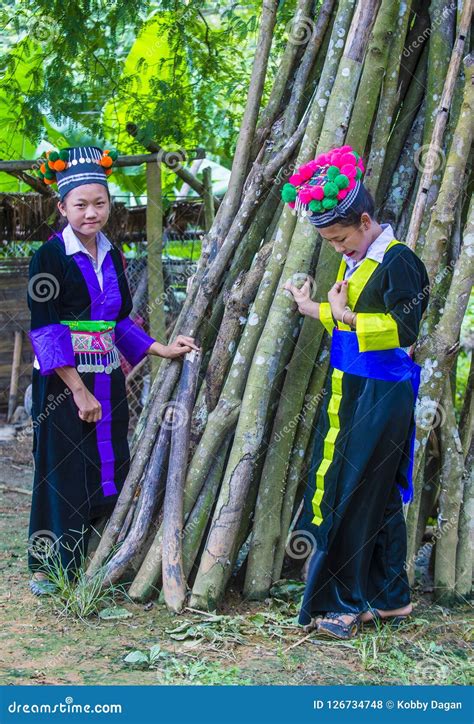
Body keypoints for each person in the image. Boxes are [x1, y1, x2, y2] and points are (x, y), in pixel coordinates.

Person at [27, 146, 199, 595]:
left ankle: (98, 556)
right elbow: (45, 332)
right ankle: (51, 566)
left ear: (109, 205)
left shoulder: (114, 254)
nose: (90, 213)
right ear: (62, 207)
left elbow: (118, 321)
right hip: (63, 382)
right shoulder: (48, 258)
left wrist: (161, 348)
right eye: (80, 205)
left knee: (109, 459)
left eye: (98, 203)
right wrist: (79, 392)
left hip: (106, 373)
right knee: (63, 465)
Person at [282, 145, 429, 639]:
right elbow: (345, 316)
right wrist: (311, 308)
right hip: (351, 387)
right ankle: (390, 599)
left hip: (382, 392)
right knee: (378, 493)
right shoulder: (359, 257)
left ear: (365, 220)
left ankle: (345, 601)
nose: (337, 249)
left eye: (340, 238)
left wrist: (342, 315)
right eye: (328, 242)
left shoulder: (399, 260)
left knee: (355, 490)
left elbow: (405, 329)